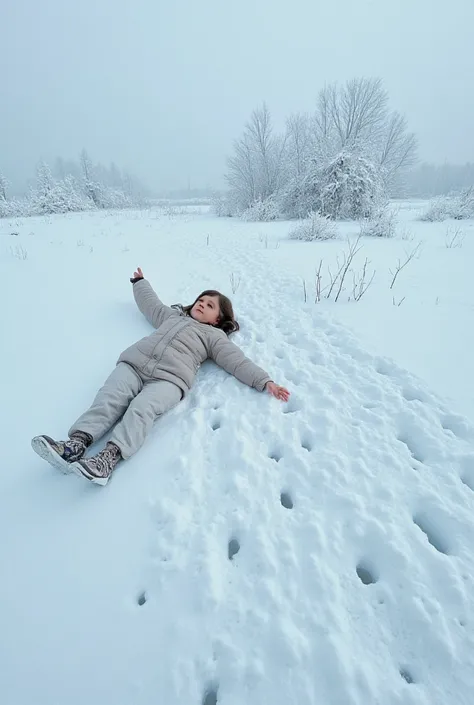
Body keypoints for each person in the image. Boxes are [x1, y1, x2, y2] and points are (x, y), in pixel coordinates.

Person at [31, 267, 291, 485]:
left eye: (210, 305)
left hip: (169, 380)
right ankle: (75, 445)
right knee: (108, 399)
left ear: (217, 319)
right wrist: (140, 283)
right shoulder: (172, 316)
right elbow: (150, 305)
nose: (202, 304)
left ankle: (108, 458)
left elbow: (237, 361)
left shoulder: (215, 337)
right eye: (200, 300)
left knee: (141, 409)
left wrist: (264, 380)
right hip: (134, 365)